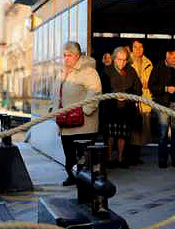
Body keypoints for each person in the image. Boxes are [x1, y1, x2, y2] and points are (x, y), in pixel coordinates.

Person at [55, 42, 101, 186]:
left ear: (78, 56)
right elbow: (57, 94)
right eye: (64, 55)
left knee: (84, 155)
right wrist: (55, 110)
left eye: (69, 55)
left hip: (84, 124)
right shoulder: (62, 72)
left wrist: (84, 111)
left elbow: (95, 91)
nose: (66, 58)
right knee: (69, 153)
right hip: (66, 122)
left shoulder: (89, 71)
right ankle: (71, 175)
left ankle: (85, 180)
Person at [101, 47, 142, 168]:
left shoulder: (131, 71)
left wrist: (128, 97)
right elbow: (102, 90)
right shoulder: (107, 71)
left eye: (124, 60)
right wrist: (114, 96)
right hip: (110, 108)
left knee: (122, 135)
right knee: (110, 135)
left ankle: (120, 158)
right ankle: (108, 159)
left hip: (126, 108)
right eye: (119, 60)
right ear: (114, 58)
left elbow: (138, 89)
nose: (122, 63)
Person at [148, 44, 175, 168]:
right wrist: (165, 88)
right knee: (163, 134)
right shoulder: (158, 67)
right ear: (167, 56)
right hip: (164, 105)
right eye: (174, 58)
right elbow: (151, 86)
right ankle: (162, 160)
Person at [128, 39, 153, 165]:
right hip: (131, 98)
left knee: (141, 128)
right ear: (131, 48)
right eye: (135, 47)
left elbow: (151, 82)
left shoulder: (148, 63)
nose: (138, 49)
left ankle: (136, 156)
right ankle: (128, 156)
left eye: (141, 47)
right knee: (131, 128)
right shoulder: (127, 61)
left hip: (144, 98)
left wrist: (146, 84)